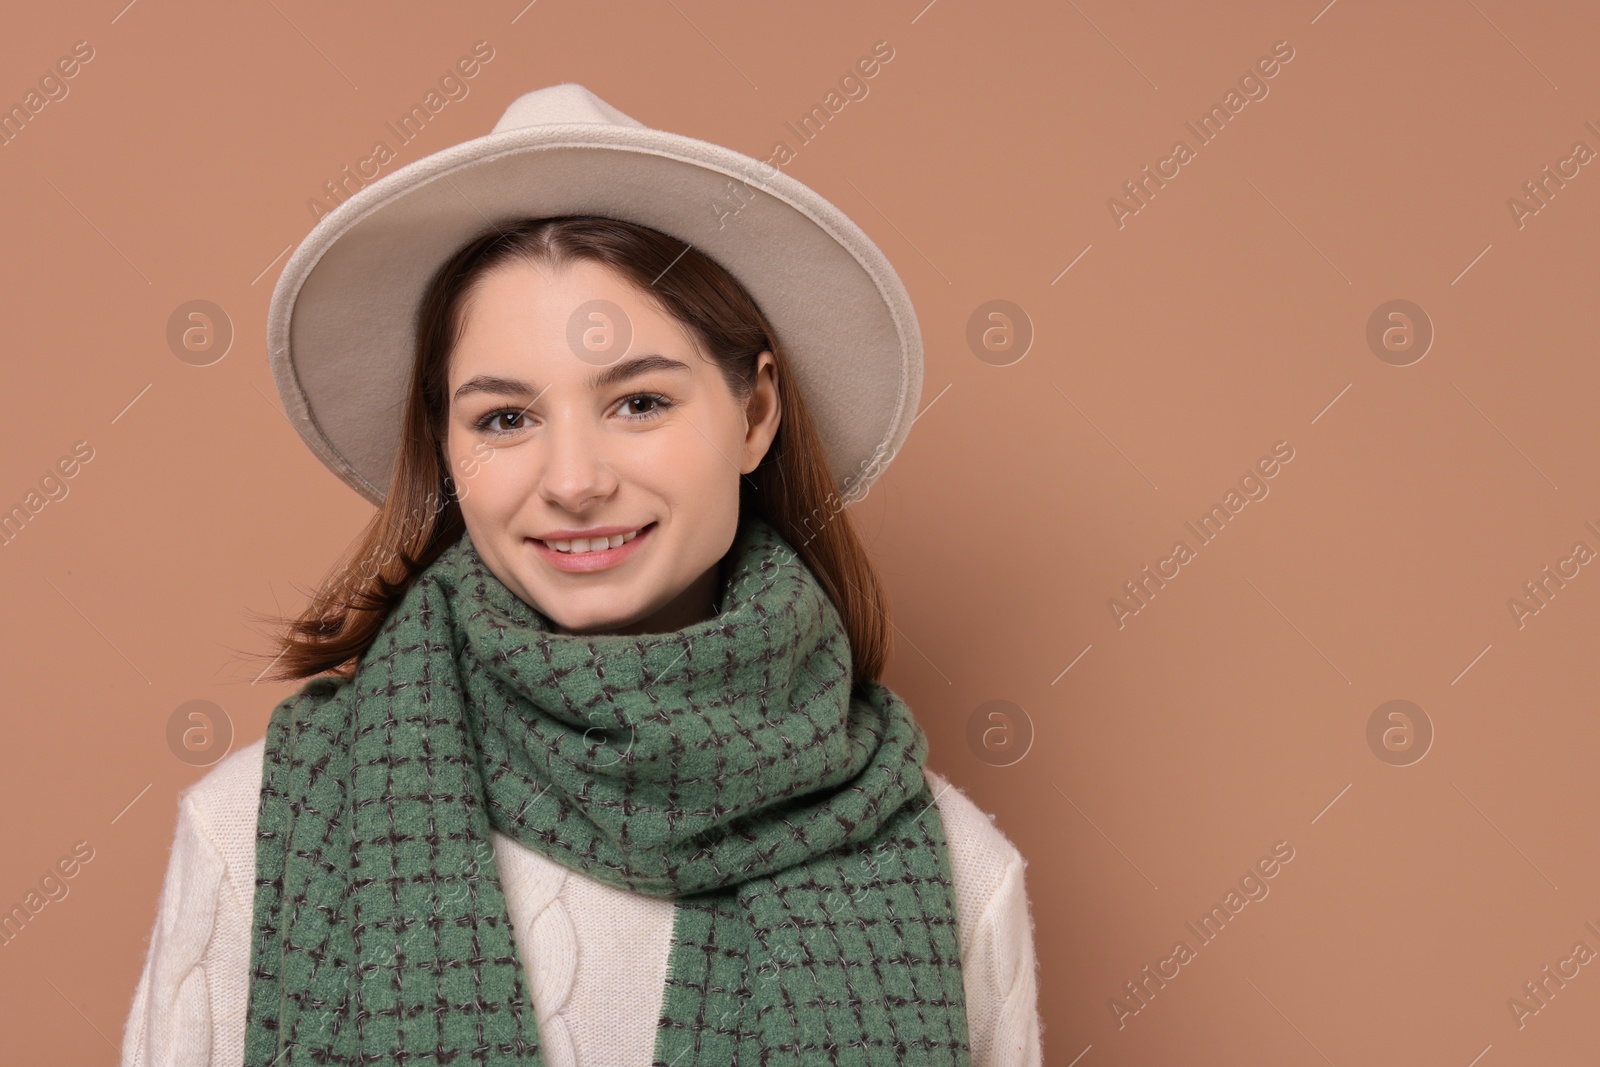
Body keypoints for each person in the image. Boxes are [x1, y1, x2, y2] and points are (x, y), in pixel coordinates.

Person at [120, 84, 1043, 1067]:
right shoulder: (257, 826)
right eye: (504, 418)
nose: (573, 481)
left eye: (638, 401)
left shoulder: (953, 869)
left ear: (754, 412)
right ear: (446, 449)